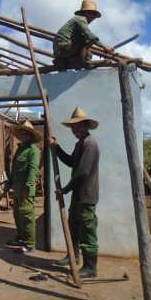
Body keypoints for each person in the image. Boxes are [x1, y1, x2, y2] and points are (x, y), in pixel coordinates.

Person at [51, 107, 100, 278]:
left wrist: (64, 189)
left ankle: (90, 267)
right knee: (74, 227)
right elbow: (72, 163)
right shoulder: (80, 144)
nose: (75, 131)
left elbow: (82, 172)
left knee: (87, 230)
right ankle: (73, 256)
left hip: (86, 195)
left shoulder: (90, 144)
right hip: (78, 195)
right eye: (73, 128)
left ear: (86, 126)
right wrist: (57, 149)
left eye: (78, 127)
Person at [6, 120, 42, 253]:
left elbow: (33, 170)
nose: (22, 135)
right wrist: (9, 183)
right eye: (21, 133)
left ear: (30, 135)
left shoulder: (33, 151)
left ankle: (30, 243)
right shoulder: (21, 149)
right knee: (17, 214)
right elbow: (14, 169)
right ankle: (20, 238)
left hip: (26, 190)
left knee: (27, 216)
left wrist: (28, 187)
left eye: (25, 133)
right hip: (17, 188)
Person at [53, 0, 115, 71]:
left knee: (85, 40)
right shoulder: (81, 19)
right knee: (86, 38)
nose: (93, 18)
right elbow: (90, 36)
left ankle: (74, 59)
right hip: (62, 48)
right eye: (93, 14)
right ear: (87, 13)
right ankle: (84, 61)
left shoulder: (78, 20)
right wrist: (105, 47)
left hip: (61, 49)